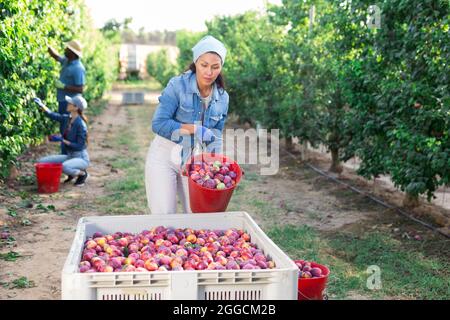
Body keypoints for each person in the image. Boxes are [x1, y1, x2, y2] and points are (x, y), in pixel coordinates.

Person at [145, 35, 229, 214]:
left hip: (193, 160)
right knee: (165, 216)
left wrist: (218, 165)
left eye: (215, 67)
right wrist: (195, 129)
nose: (208, 72)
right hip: (164, 156)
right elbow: (159, 124)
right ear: (195, 62)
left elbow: (216, 136)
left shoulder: (222, 97)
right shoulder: (177, 86)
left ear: (221, 67)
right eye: (204, 65)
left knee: (197, 217)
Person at [33, 95, 90, 187]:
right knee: (42, 161)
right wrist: (42, 105)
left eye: (70, 103)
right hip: (70, 156)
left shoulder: (81, 124)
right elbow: (52, 114)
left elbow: (80, 146)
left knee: (64, 166)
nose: (67, 104)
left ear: (76, 107)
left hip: (80, 158)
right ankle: (72, 173)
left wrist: (63, 140)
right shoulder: (67, 118)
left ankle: (82, 174)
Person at [47, 40, 86, 154]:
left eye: (67, 49)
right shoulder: (67, 61)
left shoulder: (78, 68)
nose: (65, 50)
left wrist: (64, 86)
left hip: (70, 104)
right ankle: (66, 155)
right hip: (63, 101)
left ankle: (67, 156)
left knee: (67, 130)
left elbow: (80, 89)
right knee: (64, 129)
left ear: (73, 53)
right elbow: (56, 56)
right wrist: (48, 46)